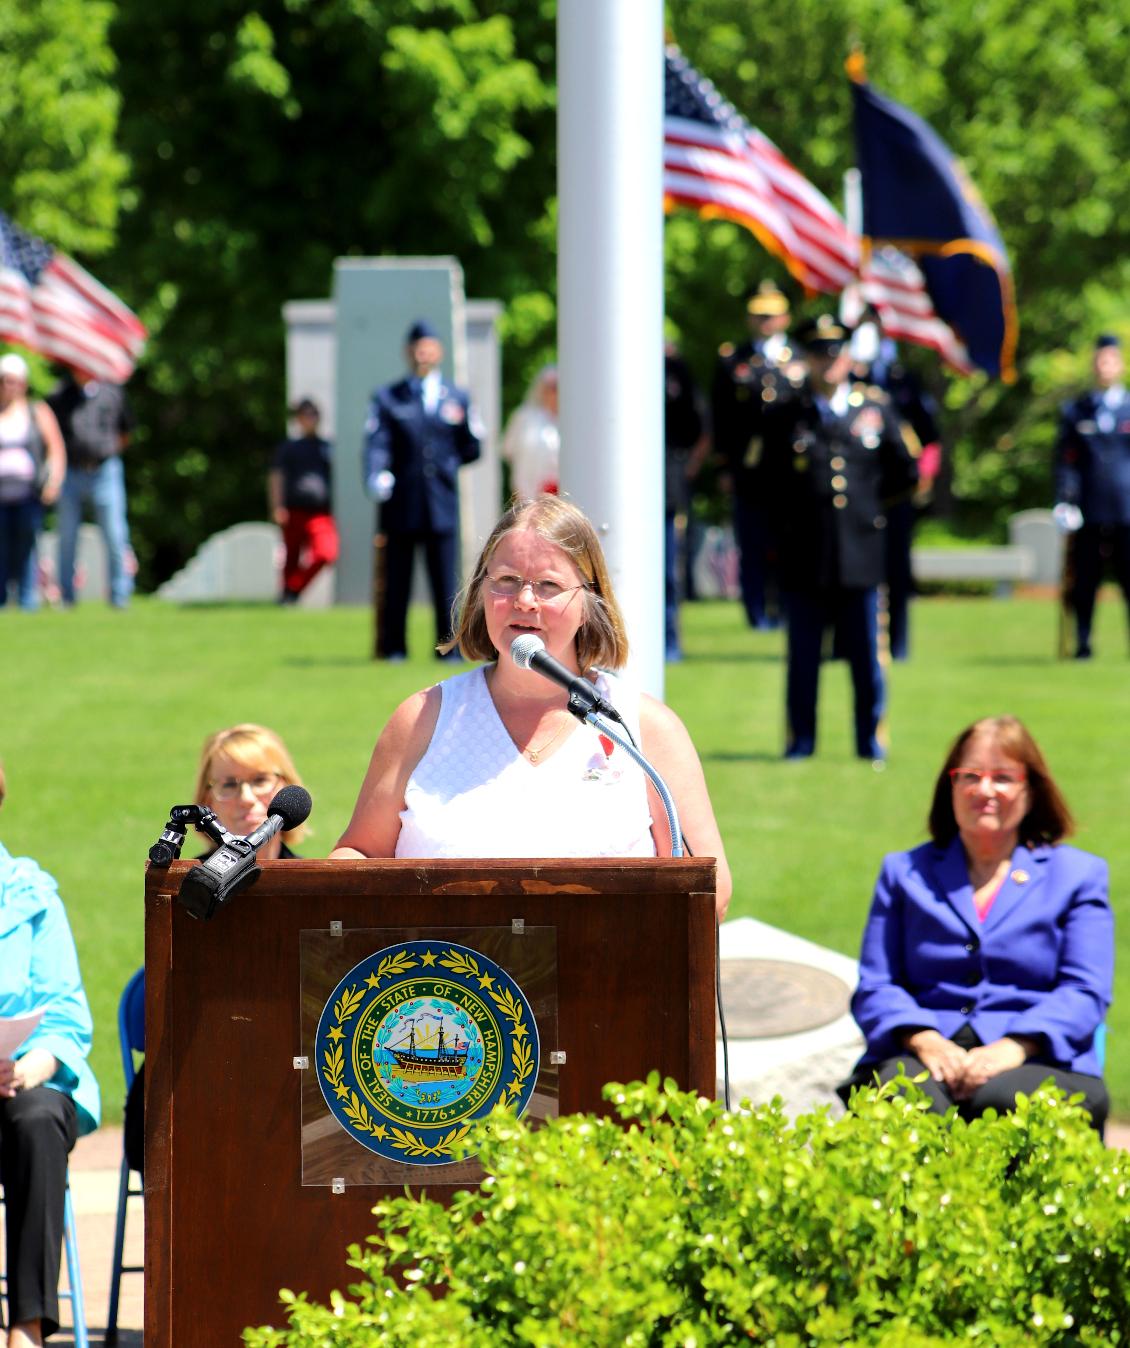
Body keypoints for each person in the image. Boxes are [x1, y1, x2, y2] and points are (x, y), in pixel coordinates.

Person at [331, 495, 732, 916]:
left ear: (588, 603)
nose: (525, 600)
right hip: (451, 976)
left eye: (548, 586)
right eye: (505, 580)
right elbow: (358, 852)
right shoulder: (424, 718)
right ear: (480, 591)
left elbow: (710, 888)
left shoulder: (641, 727)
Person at [840, 716, 1111, 1132]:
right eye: (970, 776)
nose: (984, 790)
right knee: (909, 1104)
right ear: (951, 786)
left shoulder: (1078, 876)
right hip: (923, 1050)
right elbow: (877, 986)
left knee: (1002, 1101)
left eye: (1003, 777)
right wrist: (924, 1040)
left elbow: (1084, 990)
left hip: (1037, 1055)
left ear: (1030, 789)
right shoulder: (903, 872)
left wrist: (1015, 1047)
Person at [124, 723, 309, 1176]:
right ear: (207, 802)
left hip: (288, 1086)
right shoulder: (183, 888)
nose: (246, 797)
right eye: (229, 783)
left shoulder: (320, 889)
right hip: (194, 1081)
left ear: (288, 792)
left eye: (261, 780)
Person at [763, 315, 918, 762]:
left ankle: (870, 742)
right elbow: (771, 483)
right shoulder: (788, 413)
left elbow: (904, 471)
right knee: (804, 661)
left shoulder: (875, 409)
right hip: (805, 555)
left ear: (848, 357)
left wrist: (870, 514)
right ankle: (801, 742)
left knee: (868, 659)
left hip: (862, 555)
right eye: (818, 354)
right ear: (808, 359)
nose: (827, 362)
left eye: (835, 353)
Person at [0, 759, 100, 1345]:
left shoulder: (32, 897)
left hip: (25, 1079)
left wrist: (24, 1069)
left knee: (37, 1120)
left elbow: (65, 1016)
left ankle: (27, 1327)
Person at [363, 319, 483, 660]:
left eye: (428, 346)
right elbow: (377, 443)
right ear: (407, 351)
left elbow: (472, 445)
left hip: (441, 503)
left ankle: (448, 648)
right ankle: (393, 648)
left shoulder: (456, 396)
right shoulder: (389, 397)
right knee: (397, 580)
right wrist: (377, 474)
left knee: (445, 582)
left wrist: (445, 464)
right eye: (417, 347)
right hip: (401, 503)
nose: (422, 353)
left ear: (439, 351)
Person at [711, 280, 804, 631]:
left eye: (772, 315)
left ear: (784, 318)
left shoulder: (799, 358)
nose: (765, 322)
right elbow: (721, 417)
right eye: (759, 316)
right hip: (748, 469)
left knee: (787, 544)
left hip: (790, 471)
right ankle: (756, 613)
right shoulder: (733, 359)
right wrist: (723, 465)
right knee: (751, 543)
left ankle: (782, 607)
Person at [849, 318, 941, 661]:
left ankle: (897, 643)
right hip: (855, 496)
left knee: (897, 573)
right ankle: (851, 644)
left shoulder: (904, 381)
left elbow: (928, 436)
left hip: (894, 494)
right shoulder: (850, 381)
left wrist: (925, 476)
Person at [1053, 333, 1130, 659]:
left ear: (1121, 365)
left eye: (1110, 360)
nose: (1104, 367)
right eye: (1100, 360)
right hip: (1089, 509)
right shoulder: (1077, 410)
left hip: (1127, 509)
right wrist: (1065, 499)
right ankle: (1083, 642)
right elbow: (1065, 460)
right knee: (1085, 583)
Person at [46, 368, 137, 609]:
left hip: (105, 470)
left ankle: (120, 595)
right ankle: (66, 597)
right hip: (71, 472)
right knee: (66, 536)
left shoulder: (112, 393)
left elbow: (126, 432)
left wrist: (105, 451)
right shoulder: (59, 395)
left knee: (115, 534)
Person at [0, 354, 66, 612]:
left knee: (28, 546)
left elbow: (55, 449)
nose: (9, 386)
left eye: (14, 381)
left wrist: (53, 482)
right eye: (5, 381)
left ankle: (28, 600)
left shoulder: (36, 411)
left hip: (28, 493)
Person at [269, 397, 339, 604]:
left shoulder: (327, 447)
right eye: (305, 415)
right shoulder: (289, 448)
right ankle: (287, 598)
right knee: (291, 557)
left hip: (320, 512)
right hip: (294, 509)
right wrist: (277, 506)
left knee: (326, 552)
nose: (310, 419)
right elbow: (276, 477)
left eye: (313, 414)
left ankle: (293, 588)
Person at [664, 343, 709, 661]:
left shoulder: (676, 373)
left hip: (667, 485)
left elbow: (700, 425)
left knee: (668, 572)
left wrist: (688, 467)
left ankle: (669, 641)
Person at [501, 365, 559, 501]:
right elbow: (508, 451)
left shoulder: (571, 421)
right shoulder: (524, 417)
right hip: (529, 490)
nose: (555, 393)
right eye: (551, 388)